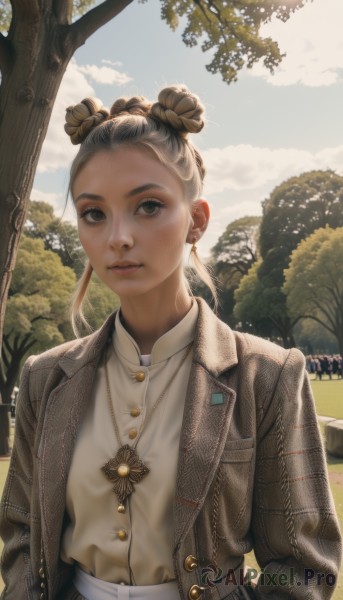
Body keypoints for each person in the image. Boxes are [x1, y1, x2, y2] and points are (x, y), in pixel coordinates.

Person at [0, 84, 341, 600]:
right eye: (94, 213)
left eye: (149, 206)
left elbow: (305, 570)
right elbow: (21, 536)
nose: (118, 237)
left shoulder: (265, 376)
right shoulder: (45, 376)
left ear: (196, 220)